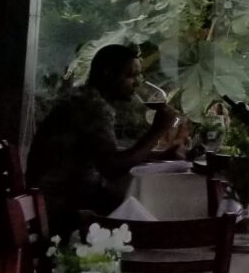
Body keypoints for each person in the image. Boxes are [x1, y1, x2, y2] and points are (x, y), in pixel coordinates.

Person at [27, 43, 184, 219]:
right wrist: (157, 130)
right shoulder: (90, 107)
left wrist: (160, 156)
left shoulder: (86, 99)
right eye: (131, 75)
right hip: (62, 207)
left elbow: (106, 156)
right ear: (107, 73)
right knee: (155, 209)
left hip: (67, 198)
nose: (137, 83)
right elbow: (112, 167)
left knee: (141, 205)